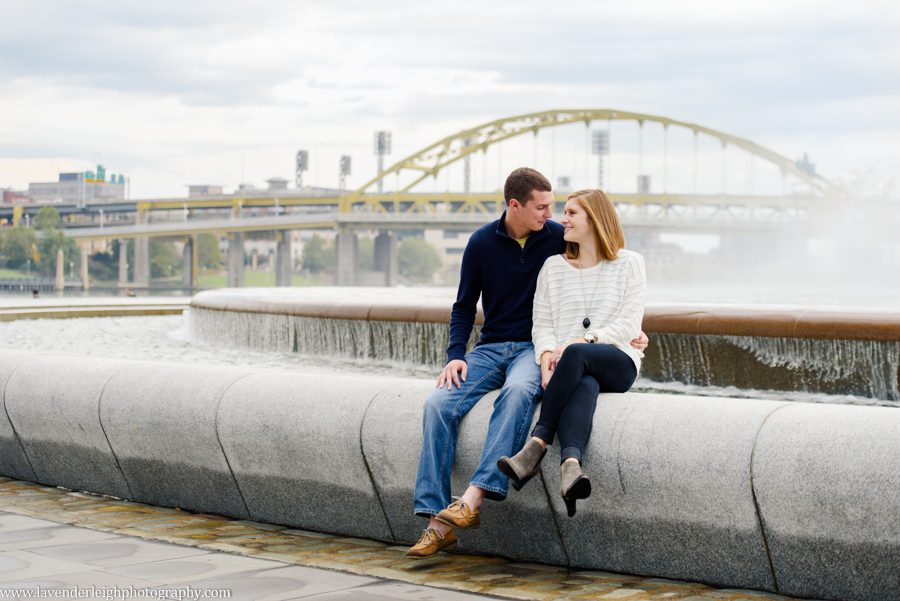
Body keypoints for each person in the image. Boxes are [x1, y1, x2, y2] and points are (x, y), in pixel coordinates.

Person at [407, 171, 647, 558]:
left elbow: (605, 265)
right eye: (543, 207)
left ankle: (478, 494)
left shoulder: (555, 236)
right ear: (514, 205)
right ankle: (437, 521)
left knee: (518, 393)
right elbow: (464, 306)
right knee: (437, 404)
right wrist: (455, 356)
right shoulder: (482, 243)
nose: (552, 215)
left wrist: (627, 334)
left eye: (558, 209)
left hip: (533, 351)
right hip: (492, 348)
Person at [497, 189, 645, 518]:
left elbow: (630, 324)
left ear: (596, 219)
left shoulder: (630, 263)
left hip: (618, 360)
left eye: (572, 213)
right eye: (564, 212)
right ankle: (571, 468)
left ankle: (536, 445)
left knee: (578, 355)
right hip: (570, 366)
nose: (562, 219)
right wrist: (546, 359)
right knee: (585, 383)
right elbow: (542, 324)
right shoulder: (553, 267)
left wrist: (585, 340)